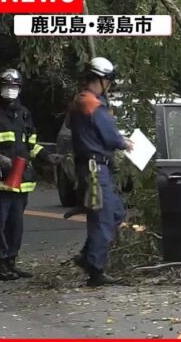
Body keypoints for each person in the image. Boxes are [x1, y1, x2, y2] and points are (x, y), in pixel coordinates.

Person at [67, 57, 133, 287]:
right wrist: (124, 142)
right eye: (110, 81)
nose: (111, 85)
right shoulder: (92, 104)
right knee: (103, 219)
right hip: (96, 169)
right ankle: (95, 270)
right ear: (102, 80)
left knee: (115, 213)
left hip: (93, 166)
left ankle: (88, 257)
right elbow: (110, 136)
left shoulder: (82, 100)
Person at [0, 68, 61, 280]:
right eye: (7, 86)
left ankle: (11, 261)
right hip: (0, 180)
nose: (10, 90)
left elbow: (31, 144)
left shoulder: (23, 113)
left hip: (21, 180)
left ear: (19, 89)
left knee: (15, 224)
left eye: (14, 87)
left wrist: (47, 157)